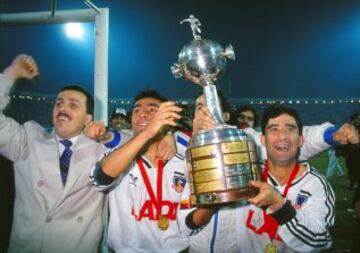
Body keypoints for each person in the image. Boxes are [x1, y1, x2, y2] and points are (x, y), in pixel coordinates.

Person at [189, 93, 359, 253]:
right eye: (200, 108)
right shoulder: (180, 148)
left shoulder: (244, 158)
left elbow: (320, 240)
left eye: (212, 107)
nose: (282, 136)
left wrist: (331, 135)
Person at [0, 55, 129, 253]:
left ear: (88, 118)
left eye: (73, 105)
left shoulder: (101, 149)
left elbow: (136, 145)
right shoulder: (28, 139)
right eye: (58, 103)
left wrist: (107, 136)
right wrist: (10, 75)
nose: (62, 108)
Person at [91, 90, 214, 253]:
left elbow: (187, 224)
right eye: (136, 110)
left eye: (152, 110)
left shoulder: (184, 160)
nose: (142, 114)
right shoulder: (120, 156)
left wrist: (214, 202)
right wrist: (148, 133)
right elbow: (100, 179)